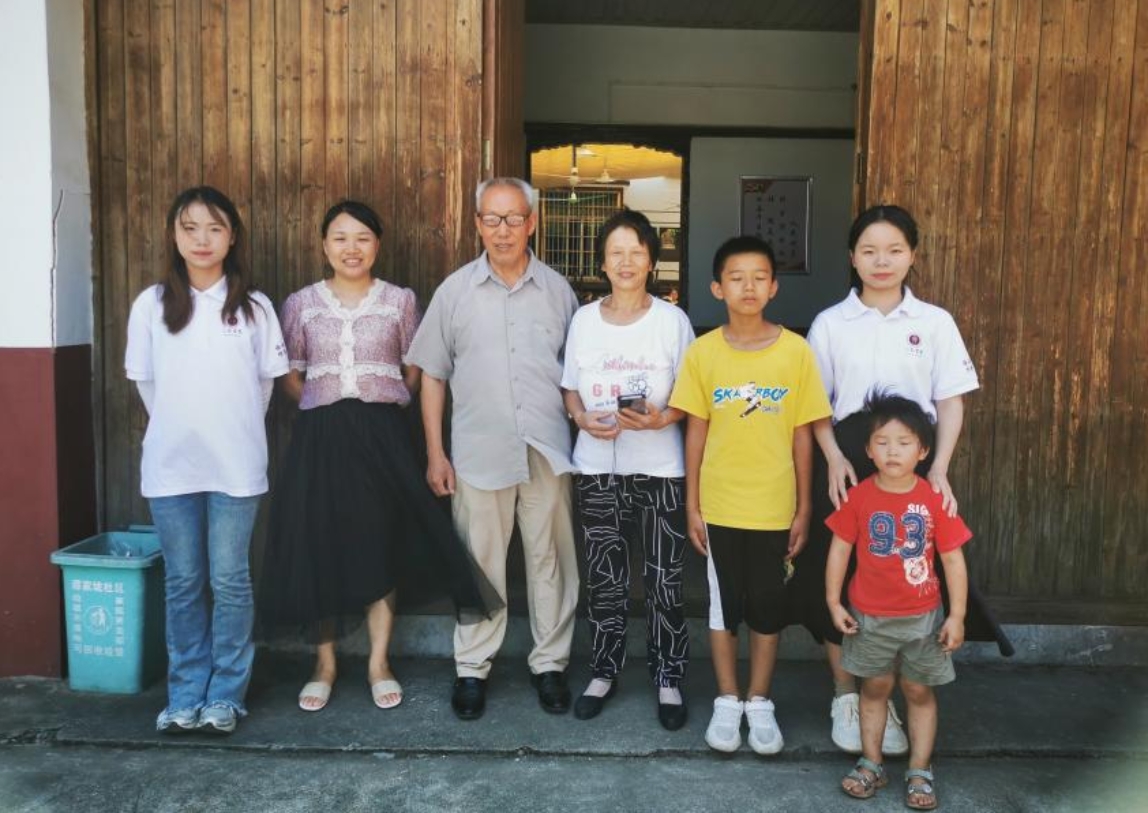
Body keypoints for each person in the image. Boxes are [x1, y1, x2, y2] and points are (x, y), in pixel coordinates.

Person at [259, 201, 496, 713]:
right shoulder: (300, 303)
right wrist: (326, 400)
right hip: (320, 437)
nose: (352, 248)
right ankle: (324, 664)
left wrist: (380, 398)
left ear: (377, 245)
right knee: (320, 543)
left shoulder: (400, 300)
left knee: (380, 542)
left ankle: (378, 662)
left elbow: (416, 369)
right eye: (340, 238)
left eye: (362, 238)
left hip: (384, 435)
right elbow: (290, 376)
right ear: (324, 245)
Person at [794, 204, 983, 757]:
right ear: (852, 257)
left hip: (913, 462)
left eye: (895, 250)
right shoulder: (831, 323)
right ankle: (847, 695)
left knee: (906, 572)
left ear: (912, 255)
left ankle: (892, 693)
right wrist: (833, 456)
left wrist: (939, 466)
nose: (882, 261)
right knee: (840, 567)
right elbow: (814, 403)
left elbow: (950, 400)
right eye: (869, 251)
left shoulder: (934, 322)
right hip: (848, 460)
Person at [405, 177, 580, 720]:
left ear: (532, 223)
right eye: (492, 219)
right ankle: (472, 668)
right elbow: (432, 375)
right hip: (479, 451)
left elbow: (576, 375)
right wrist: (436, 453)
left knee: (550, 558)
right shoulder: (454, 292)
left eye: (514, 218)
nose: (503, 230)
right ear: (478, 224)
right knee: (479, 562)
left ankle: (549, 664)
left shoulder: (558, 291)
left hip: (547, 448)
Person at [125, 186, 288, 735]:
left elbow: (264, 386)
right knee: (183, 582)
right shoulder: (151, 305)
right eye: (190, 227)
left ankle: (226, 693)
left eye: (214, 228)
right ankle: (185, 693)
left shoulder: (254, 307)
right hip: (171, 468)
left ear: (232, 237)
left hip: (237, 467)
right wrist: (183, 426)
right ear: (174, 235)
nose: (202, 239)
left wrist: (229, 430)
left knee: (231, 579)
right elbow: (147, 384)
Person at [669, 235, 831, 754]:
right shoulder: (703, 352)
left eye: (759, 277)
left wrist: (805, 505)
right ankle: (727, 699)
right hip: (720, 504)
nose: (748, 287)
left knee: (766, 605)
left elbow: (803, 434)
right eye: (736, 278)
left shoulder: (795, 351)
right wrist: (692, 504)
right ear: (717, 288)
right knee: (723, 607)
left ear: (774, 287)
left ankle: (760, 701)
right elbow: (695, 432)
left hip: (775, 506)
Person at [561, 209, 694, 729]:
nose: (626, 262)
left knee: (664, 580)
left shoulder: (672, 321)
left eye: (636, 252)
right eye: (616, 252)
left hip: (661, 469)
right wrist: (580, 419)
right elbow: (570, 387)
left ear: (651, 261)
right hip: (597, 468)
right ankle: (603, 671)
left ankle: (668, 677)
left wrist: (663, 417)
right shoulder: (584, 320)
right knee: (605, 578)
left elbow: (691, 394)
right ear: (602, 262)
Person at [825, 392, 969, 810]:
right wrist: (833, 602)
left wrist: (957, 615)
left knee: (918, 690)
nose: (892, 451)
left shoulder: (934, 499)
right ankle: (871, 763)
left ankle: (919, 770)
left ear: (923, 451)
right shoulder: (858, 497)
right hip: (869, 617)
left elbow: (952, 559)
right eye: (883, 442)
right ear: (868, 450)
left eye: (904, 443)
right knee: (875, 687)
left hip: (924, 618)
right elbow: (839, 550)